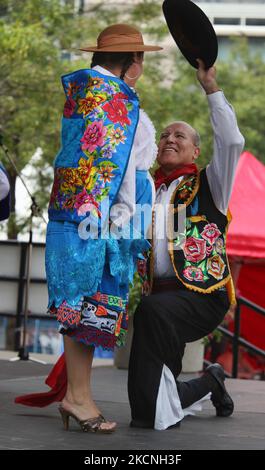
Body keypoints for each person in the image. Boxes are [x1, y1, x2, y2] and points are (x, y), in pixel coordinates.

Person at [15, 24, 161, 433]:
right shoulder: (116, 97)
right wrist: (123, 218)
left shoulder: (84, 91)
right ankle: (77, 397)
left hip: (76, 214)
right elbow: (117, 164)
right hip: (98, 221)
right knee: (89, 307)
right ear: (134, 62)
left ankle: (78, 396)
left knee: (82, 308)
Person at [128, 59, 245, 430]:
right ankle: (209, 382)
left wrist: (211, 87)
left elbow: (231, 141)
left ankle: (182, 393)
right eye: (164, 135)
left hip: (202, 296)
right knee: (147, 411)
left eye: (180, 136)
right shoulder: (146, 190)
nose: (169, 139)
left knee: (152, 312)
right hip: (160, 300)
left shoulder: (211, 184)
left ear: (196, 152)